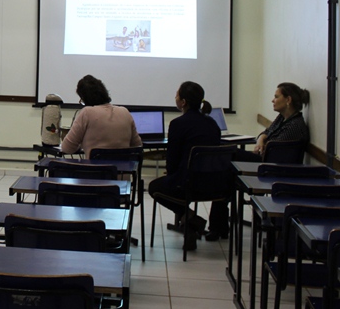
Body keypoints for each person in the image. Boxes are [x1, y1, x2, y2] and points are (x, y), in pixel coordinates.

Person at [147, 81, 221, 251]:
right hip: (215, 185)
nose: (175, 98)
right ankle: (189, 223)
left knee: (154, 187)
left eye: (177, 95)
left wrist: (171, 175)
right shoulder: (212, 123)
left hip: (187, 184)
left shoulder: (177, 124)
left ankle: (190, 217)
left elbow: (172, 161)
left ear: (183, 102)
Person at [59, 75, 142, 155]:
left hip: (95, 165)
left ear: (85, 99)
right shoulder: (125, 112)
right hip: (123, 165)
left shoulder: (87, 113)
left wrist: (82, 144)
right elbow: (137, 145)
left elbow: (67, 148)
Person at [252, 82, 310, 157]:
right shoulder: (282, 117)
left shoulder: (294, 126)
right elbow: (267, 132)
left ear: (288, 100)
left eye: (276, 97)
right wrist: (260, 139)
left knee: (236, 154)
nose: (272, 100)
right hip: (264, 158)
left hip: (269, 162)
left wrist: (262, 143)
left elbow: (271, 151)